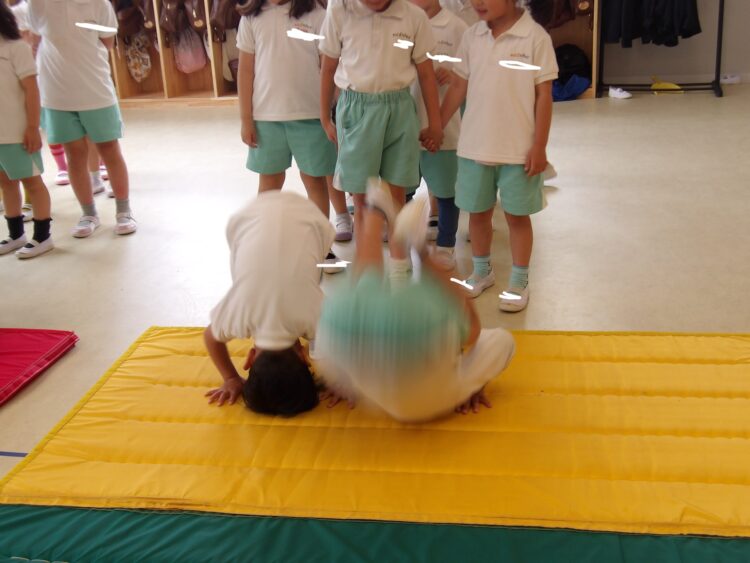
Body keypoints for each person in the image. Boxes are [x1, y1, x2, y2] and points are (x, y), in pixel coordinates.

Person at [314, 179, 516, 422]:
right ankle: (414, 244)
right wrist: (475, 383)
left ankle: (376, 216)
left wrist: (343, 380)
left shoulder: (337, 312)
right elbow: (473, 332)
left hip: (375, 395)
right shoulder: (430, 312)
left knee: (363, 288)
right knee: (502, 341)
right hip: (436, 398)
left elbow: (365, 273)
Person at [440, 0, 557, 312]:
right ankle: (482, 271)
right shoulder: (472, 36)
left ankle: (519, 280)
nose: (477, 2)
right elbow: (458, 86)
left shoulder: (535, 37)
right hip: (474, 146)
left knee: (517, 217)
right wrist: (437, 124)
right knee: (478, 214)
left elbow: (544, 96)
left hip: (519, 152)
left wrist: (539, 146)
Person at [318, 0, 443, 281]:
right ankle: (369, 274)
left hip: (399, 108)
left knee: (396, 197)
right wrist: (324, 117)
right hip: (356, 107)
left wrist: (435, 123)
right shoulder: (339, 9)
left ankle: (399, 271)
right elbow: (328, 66)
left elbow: (426, 73)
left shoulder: (413, 16)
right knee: (363, 201)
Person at [204, 190, 335, 416]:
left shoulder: (316, 318)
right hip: (247, 219)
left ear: (304, 357)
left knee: (303, 272)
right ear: (250, 358)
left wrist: (340, 381)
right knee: (252, 271)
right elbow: (210, 337)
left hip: (311, 218)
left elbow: (348, 342)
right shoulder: (240, 315)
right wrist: (231, 378)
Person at [236, 0, 344, 272]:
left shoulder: (318, 15)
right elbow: (245, 70)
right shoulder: (251, 18)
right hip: (266, 119)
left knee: (314, 182)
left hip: (310, 117)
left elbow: (328, 67)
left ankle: (321, 246)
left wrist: (329, 112)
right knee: (269, 184)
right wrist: (246, 119)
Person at [28, 0, 136, 238]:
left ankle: (124, 211)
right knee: (74, 155)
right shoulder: (38, 4)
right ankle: (88, 214)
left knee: (109, 149)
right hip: (56, 93)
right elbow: (35, 41)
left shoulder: (99, 4)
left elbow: (107, 43)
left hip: (95, 90)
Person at [408, 0, 467, 270]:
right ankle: (405, 242)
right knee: (403, 190)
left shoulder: (456, 27)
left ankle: (446, 244)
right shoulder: (401, 21)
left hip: (444, 126)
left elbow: (471, 73)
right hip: (404, 126)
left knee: (446, 191)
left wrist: (453, 74)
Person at [0, 0, 53, 258]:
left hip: (17, 133)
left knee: (32, 182)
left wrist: (33, 127)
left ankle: (43, 236)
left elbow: (31, 89)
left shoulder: (16, 48)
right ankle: (16, 234)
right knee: (5, 182)